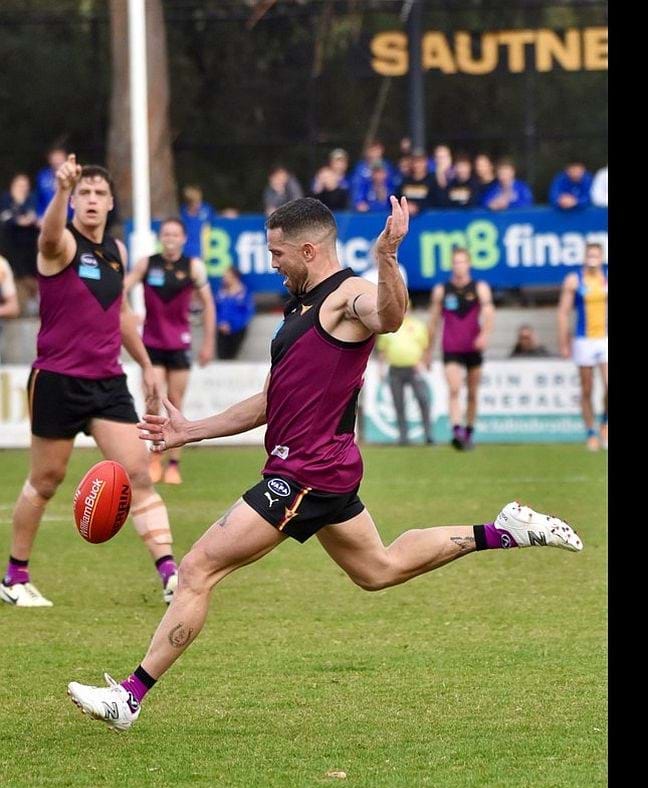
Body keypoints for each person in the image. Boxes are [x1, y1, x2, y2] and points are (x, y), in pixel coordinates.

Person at [66, 196, 582, 731]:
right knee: (378, 569)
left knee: (196, 568)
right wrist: (189, 431)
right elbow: (268, 403)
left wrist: (388, 257)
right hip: (318, 470)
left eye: (277, 253)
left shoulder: (348, 295)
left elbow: (391, 316)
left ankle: (129, 697)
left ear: (308, 250)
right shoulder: (297, 309)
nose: (271, 263)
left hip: (304, 475)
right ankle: (503, 531)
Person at [0, 156, 177, 608]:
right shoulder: (59, 246)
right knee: (46, 480)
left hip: (107, 382)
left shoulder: (115, 251)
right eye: (85, 193)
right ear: (75, 202)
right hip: (58, 379)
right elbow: (47, 234)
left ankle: (171, 573)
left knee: (138, 473)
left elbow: (118, 314)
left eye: (100, 193)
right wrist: (61, 190)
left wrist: (145, 363)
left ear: (111, 201)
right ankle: (14, 577)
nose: (93, 200)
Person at [123, 218, 216, 485]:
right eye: (166, 233)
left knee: (174, 404)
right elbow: (122, 289)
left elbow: (208, 304)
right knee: (152, 401)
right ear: (160, 237)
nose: (171, 238)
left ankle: (174, 463)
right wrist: (128, 314)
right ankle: (154, 457)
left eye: (175, 233)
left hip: (180, 345)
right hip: (151, 344)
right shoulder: (146, 264)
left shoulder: (193, 267)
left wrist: (208, 342)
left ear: (184, 238)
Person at [428, 248, 494, 451]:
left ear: (469, 264)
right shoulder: (442, 290)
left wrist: (484, 335)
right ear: (452, 265)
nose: (459, 266)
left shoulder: (480, 288)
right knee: (455, 388)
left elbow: (489, 311)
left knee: (472, 393)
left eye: (462, 262)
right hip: (451, 347)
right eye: (456, 262)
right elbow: (433, 321)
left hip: (473, 347)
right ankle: (457, 430)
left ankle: (469, 431)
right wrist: (428, 350)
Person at [558, 242, 608, 451]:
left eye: (596, 255)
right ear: (584, 258)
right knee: (587, 388)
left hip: (604, 338)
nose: (592, 259)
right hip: (583, 339)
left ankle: (605, 423)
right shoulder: (574, 280)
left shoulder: (606, 279)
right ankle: (590, 432)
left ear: (602, 257)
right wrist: (563, 341)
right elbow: (563, 311)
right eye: (589, 255)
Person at [376, 312, 433, 445]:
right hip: (395, 369)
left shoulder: (418, 326)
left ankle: (428, 434)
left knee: (423, 400)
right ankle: (403, 436)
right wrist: (380, 368)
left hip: (414, 368)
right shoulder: (389, 326)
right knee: (398, 404)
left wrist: (423, 362)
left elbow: (425, 347)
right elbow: (382, 350)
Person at [0, 173, 39, 306]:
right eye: (20, 185)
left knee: (32, 272)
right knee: (18, 273)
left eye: (25, 185)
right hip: (11, 243)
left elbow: (34, 216)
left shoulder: (32, 198)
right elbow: (5, 218)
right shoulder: (6, 198)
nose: (23, 188)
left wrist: (27, 218)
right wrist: (18, 219)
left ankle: (34, 298)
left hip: (29, 243)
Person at [214, 266, 255, 360]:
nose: (224, 279)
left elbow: (246, 314)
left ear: (234, 277)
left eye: (226, 276)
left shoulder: (244, 293)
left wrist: (232, 326)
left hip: (237, 330)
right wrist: (220, 323)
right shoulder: (221, 293)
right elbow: (215, 310)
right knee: (222, 355)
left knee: (232, 355)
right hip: (221, 329)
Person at [179, 185, 215, 261]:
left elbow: (206, 230)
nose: (196, 205)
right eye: (192, 202)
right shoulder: (182, 211)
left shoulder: (206, 209)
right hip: (184, 249)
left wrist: (205, 251)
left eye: (198, 201)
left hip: (199, 250)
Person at [35, 144, 68, 218]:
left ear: (65, 158)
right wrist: (39, 216)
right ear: (50, 159)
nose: (57, 161)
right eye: (55, 157)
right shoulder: (42, 176)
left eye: (60, 157)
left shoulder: (72, 176)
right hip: (45, 219)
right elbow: (38, 199)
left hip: (67, 219)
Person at [399, 150, 434, 215]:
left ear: (425, 162)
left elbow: (435, 200)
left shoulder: (432, 180)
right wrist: (406, 206)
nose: (418, 165)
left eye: (420, 162)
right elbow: (398, 197)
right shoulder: (405, 181)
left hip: (428, 218)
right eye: (415, 162)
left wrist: (418, 207)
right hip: (407, 216)